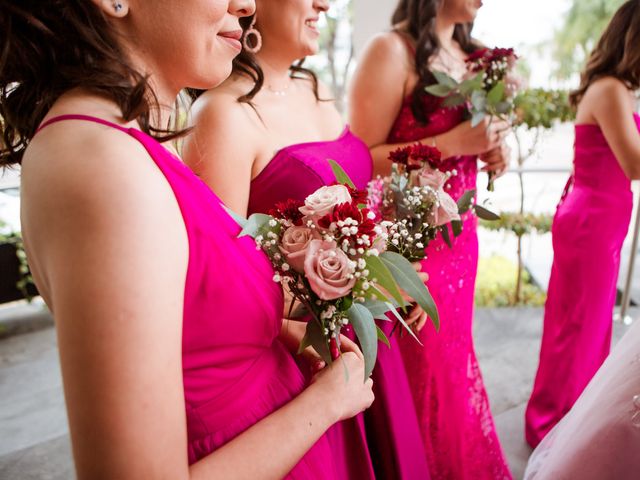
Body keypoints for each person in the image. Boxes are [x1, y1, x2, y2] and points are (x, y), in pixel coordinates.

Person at [0, 1, 374, 478]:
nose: (248, 4)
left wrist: (279, 328)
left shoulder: (122, 142)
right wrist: (325, 403)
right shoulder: (103, 165)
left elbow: (189, 320)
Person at [183, 0, 430, 478]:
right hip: (312, 362)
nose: (324, 3)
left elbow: (353, 209)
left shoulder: (314, 88)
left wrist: (389, 273)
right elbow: (224, 290)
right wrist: (318, 329)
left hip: (370, 340)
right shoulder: (222, 114)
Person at [348, 0, 512, 478]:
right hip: (411, 247)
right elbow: (360, 159)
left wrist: (491, 153)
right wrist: (458, 143)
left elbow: (470, 146)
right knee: (420, 375)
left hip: (460, 243)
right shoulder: (390, 51)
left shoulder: (471, 57)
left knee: (451, 369)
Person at [525, 0, 640, 448]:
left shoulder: (616, 88)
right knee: (577, 328)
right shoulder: (610, 89)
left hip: (600, 219)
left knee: (587, 326)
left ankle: (572, 423)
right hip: (592, 220)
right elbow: (632, 163)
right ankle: (552, 426)